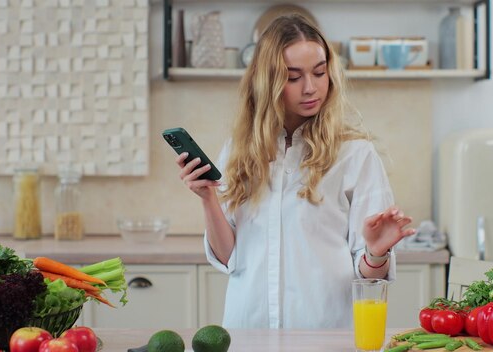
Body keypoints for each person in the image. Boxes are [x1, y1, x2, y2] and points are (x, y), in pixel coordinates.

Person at [174, 14, 415, 329]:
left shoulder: (355, 155)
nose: (311, 88)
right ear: (268, 80)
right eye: (293, 77)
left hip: (325, 334)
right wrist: (207, 198)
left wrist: (375, 253)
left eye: (319, 72)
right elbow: (230, 258)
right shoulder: (238, 150)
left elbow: (368, 277)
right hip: (248, 329)